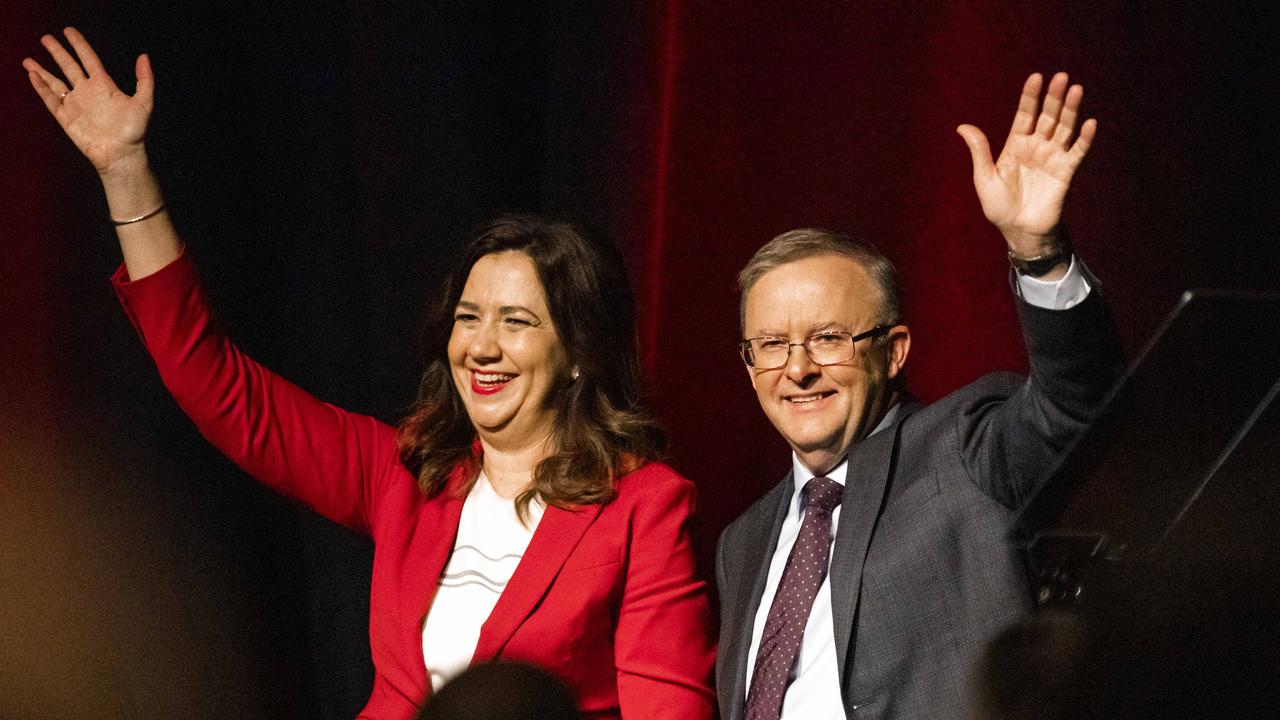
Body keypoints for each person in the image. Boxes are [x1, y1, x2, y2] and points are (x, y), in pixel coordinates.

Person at [23, 28, 715, 720]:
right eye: (468, 318)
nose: (481, 346)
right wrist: (124, 171)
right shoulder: (405, 473)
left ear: (580, 354)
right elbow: (215, 385)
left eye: (516, 322)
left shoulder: (642, 508)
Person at [714, 72, 1126, 719]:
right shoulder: (742, 542)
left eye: (827, 338)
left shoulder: (963, 450)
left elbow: (1078, 404)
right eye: (770, 345)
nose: (796, 370)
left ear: (895, 350)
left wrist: (1037, 251)